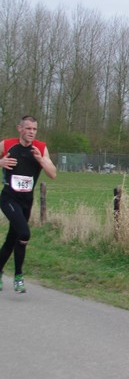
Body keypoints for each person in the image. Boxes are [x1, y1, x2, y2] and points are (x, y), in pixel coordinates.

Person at [0, 115, 57, 294]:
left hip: (26, 201)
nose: (31, 132)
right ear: (20, 129)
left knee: (12, 239)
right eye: (28, 128)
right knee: (24, 233)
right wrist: (0, 162)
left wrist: (41, 160)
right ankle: (18, 276)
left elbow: (53, 174)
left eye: (34, 129)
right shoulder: (7, 144)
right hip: (9, 198)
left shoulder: (41, 148)